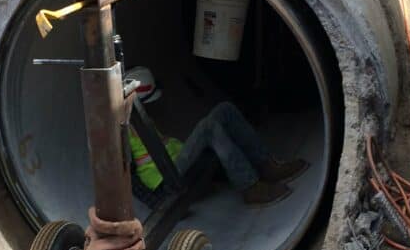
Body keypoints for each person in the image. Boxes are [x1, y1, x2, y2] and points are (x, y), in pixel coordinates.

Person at [125, 66, 308, 205]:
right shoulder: (126, 127)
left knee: (225, 109)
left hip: (176, 164)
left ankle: (266, 165)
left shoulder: (144, 121)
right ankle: (249, 187)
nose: (155, 106)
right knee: (209, 126)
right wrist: (156, 203)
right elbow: (127, 176)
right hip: (165, 180)